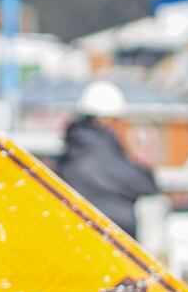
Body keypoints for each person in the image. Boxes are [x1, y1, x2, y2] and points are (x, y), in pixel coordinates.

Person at [56, 80, 158, 237]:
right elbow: (145, 184)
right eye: (118, 120)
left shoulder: (71, 153)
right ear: (105, 120)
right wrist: (135, 153)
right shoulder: (102, 153)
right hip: (110, 245)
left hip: (80, 241)